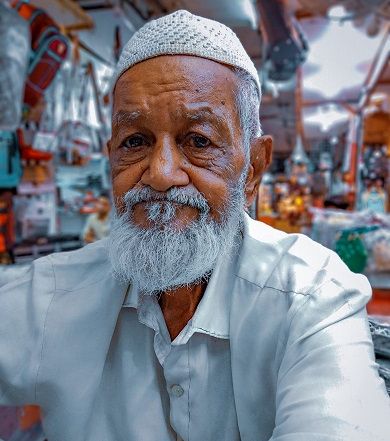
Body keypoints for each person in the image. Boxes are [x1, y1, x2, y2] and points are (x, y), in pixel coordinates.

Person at [0, 10, 389, 441]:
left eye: (199, 141)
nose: (161, 173)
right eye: (135, 142)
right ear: (112, 156)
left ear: (254, 169)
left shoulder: (311, 296)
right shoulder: (57, 295)